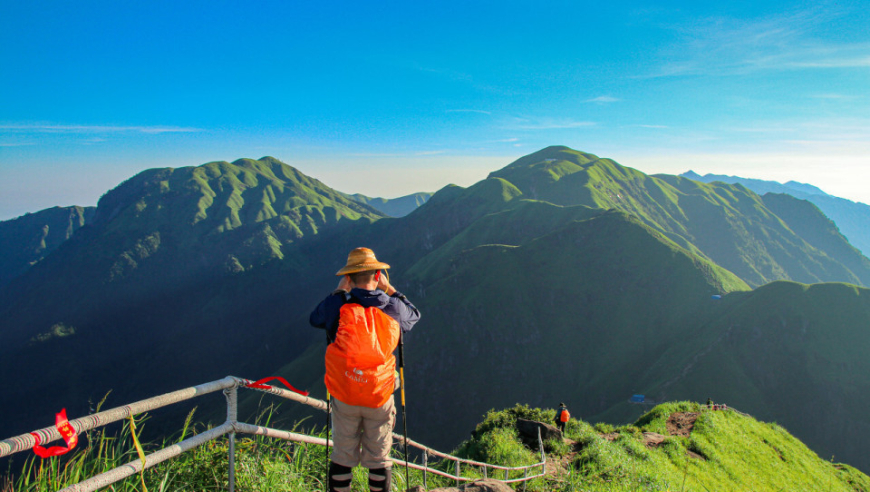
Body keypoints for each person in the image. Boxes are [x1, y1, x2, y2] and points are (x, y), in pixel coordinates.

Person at [310, 247, 421, 492]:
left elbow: (315, 318)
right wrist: (390, 289)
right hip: (379, 394)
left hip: (346, 392)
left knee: (341, 455)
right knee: (379, 457)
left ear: (348, 277)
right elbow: (414, 315)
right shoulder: (392, 307)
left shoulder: (338, 306)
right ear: (378, 274)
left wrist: (340, 290)